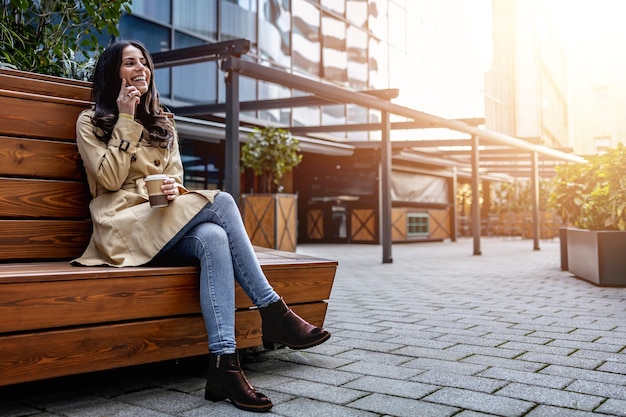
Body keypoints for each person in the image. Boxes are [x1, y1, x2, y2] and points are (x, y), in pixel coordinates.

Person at [72, 40, 330, 413]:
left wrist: (172, 188)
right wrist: (125, 119)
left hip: (160, 221)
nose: (140, 69)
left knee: (212, 235)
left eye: (144, 63)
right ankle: (273, 312)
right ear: (114, 72)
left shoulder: (164, 121)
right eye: (130, 63)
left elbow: (176, 179)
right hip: (121, 226)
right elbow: (109, 181)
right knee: (222, 202)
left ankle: (224, 366)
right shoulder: (91, 121)